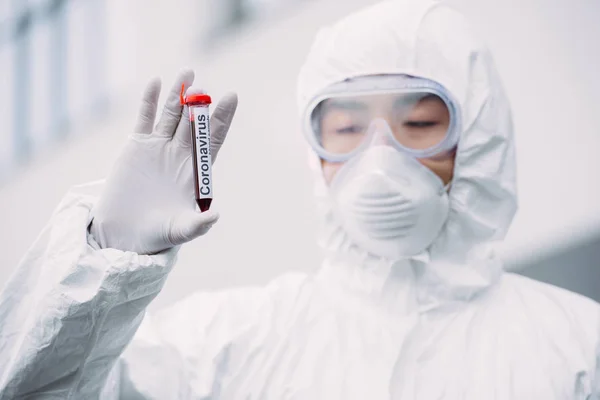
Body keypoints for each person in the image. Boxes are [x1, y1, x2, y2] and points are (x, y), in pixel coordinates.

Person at [1, 0, 598, 398]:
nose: (380, 160)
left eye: (419, 124)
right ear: (316, 152)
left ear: (478, 142)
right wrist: (104, 260)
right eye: (345, 130)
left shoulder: (576, 345)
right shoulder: (228, 340)